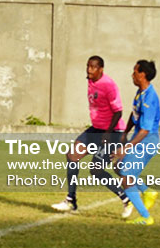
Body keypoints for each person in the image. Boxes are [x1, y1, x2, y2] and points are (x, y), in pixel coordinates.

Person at [52, 56, 132, 216]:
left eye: (93, 67)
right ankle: (71, 200)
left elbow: (118, 112)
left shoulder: (109, 85)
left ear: (101, 69)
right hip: (96, 129)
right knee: (72, 155)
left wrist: (108, 134)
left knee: (96, 170)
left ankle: (126, 200)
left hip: (112, 132)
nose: (89, 70)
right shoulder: (90, 80)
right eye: (88, 66)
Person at [113, 60, 160, 225]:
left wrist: (126, 148)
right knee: (118, 166)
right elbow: (134, 117)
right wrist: (124, 133)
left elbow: (145, 130)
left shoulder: (150, 98)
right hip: (138, 139)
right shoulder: (140, 93)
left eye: (135, 71)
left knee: (126, 177)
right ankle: (147, 192)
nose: (132, 75)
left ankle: (146, 217)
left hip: (147, 141)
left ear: (143, 74)